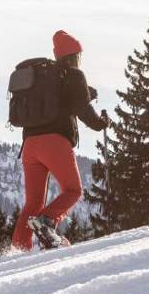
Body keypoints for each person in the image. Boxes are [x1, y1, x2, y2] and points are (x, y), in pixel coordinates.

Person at [10, 30, 108, 251]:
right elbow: (83, 110)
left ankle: (19, 249)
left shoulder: (46, 78)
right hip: (54, 143)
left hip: (29, 145)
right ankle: (46, 223)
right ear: (75, 56)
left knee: (33, 202)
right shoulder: (74, 75)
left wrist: (85, 93)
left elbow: (64, 101)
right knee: (73, 190)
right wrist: (101, 123)